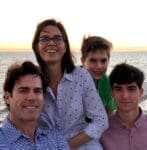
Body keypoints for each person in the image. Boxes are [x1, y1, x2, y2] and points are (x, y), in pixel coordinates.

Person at [32, 19, 108, 149]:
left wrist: (65, 146)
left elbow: (100, 121)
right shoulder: (30, 79)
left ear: (65, 46)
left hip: (82, 145)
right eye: (44, 38)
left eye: (57, 38)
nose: (51, 43)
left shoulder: (81, 76)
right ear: (36, 46)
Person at [0, 61, 70, 149]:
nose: (32, 98)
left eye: (37, 91)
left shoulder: (55, 139)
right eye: (23, 90)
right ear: (7, 97)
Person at [101, 63, 147, 150]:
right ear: (111, 93)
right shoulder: (102, 130)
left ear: (141, 92)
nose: (125, 96)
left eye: (131, 89)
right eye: (118, 89)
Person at [80, 35, 116, 116]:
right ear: (83, 61)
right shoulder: (70, 80)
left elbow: (109, 114)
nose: (99, 66)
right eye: (93, 60)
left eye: (103, 61)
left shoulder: (107, 83)